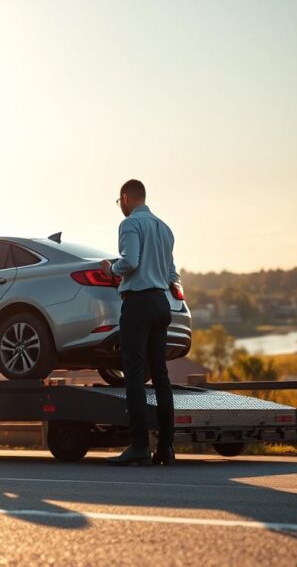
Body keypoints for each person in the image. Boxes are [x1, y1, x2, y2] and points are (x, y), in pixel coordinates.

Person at [101, 179, 179, 466]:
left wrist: (112, 269)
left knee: (133, 375)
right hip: (161, 302)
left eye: (119, 201)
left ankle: (139, 446)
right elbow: (172, 271)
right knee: (160, 375)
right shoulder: (164, 228)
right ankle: (167, 448)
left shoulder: (131, 224)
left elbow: (130, 261)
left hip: (138, 303)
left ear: (125, 198)